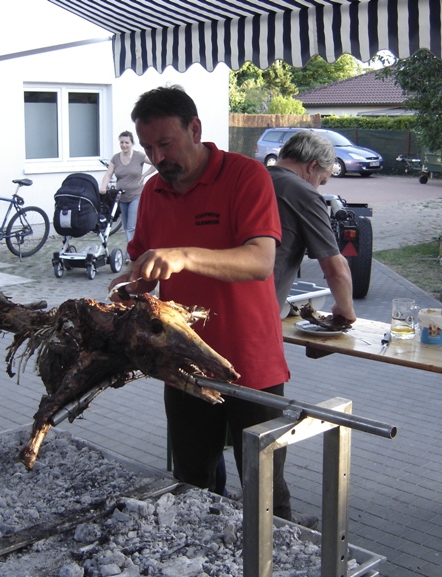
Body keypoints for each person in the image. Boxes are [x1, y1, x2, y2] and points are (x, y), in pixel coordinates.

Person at [108, 86, 312, 526]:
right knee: (192, 481)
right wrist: (134, 282)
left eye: (166, 143)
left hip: (249, 363)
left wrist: (183, 254)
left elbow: (260, 261)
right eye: (147, 147)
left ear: (195, 129)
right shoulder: (154, 192)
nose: (158, 157)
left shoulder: (246, 176)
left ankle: (279, 574)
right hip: (182, 363)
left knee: (265, 489)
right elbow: (146, 264)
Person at [268, 129, 357, 323]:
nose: (317, 188)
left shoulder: (252, 179)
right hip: (259, 311)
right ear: (313, 166)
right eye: (321, 181)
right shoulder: (303, 192)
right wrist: (345, 309)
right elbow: (336, 269)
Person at [99, 131, 155, 245]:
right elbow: (109, 173)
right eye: (122, 142)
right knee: (126, 226)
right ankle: (137, 247)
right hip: (121, 197)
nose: (124, 145)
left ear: (132, 143)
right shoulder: (115, 158)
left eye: (126, 142)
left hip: (136, 195)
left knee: (131, 226)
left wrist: (145, 175)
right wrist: (102, 187)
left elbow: (156, 163)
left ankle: (130, 254)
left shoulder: (138, 156)